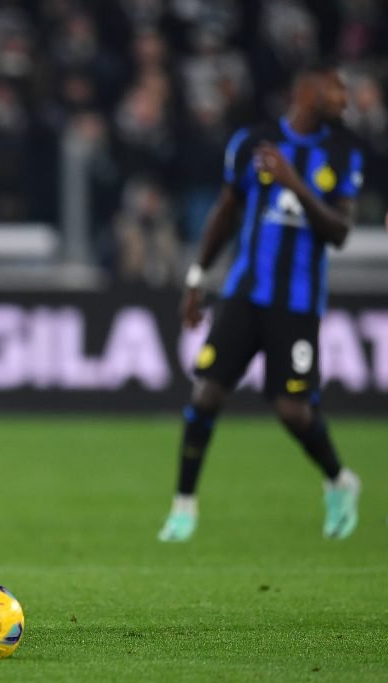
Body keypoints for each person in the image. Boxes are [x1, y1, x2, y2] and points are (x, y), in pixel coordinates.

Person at [158, 60, 364, 543]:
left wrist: (295, 184)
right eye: (338, 89)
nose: (346, 99)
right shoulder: (252, 143)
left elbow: (339, 232)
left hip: (297, 302)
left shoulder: (343, 150)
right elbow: (225, 214)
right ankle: (183, 507)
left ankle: (339, 480)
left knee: (292, 410)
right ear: (309, 88)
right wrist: (196, 277)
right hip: (244, 292)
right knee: (206, 393)